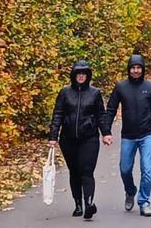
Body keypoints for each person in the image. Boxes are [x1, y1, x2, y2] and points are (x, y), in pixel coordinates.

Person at [104, 55, 151, 218]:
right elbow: (111, 109)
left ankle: (144, 202)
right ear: (129, 69)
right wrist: (106, 131)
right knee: (125, 169)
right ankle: (130, 191)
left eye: (139, 67)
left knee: (147, 169)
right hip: (128, 135)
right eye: (133, 67)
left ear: (143, 69)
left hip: (147, 134)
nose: (136, 70)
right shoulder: (121, 87)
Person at [48, 60, 109, 220]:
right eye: (78, 73)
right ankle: (78, 204)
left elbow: (101, 115)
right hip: (68, 139)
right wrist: (53, 136)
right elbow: (58, 114)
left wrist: (106, 133)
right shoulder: (65, 92)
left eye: (84, 74)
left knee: (86, 171)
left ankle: (89, 203)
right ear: (74, 75)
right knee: (74, 172)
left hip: (89, 137)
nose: (81, 76)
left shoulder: (95, 93)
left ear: (88, 76)